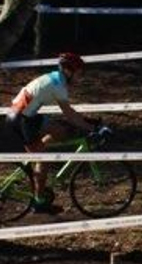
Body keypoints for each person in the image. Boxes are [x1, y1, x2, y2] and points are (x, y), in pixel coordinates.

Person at [6, 51, 99, 214]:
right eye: (79, 73)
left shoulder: (55, 78)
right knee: (44, 161)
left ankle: (39, 153)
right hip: (22, 120)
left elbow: (69, 114)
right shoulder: (58, 85)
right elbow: (69, 113)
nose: (80, 77)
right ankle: (39, 202)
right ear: (69, 71)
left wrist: (85, 121)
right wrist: (91, 128)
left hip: (28, 115)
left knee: (61, 131)